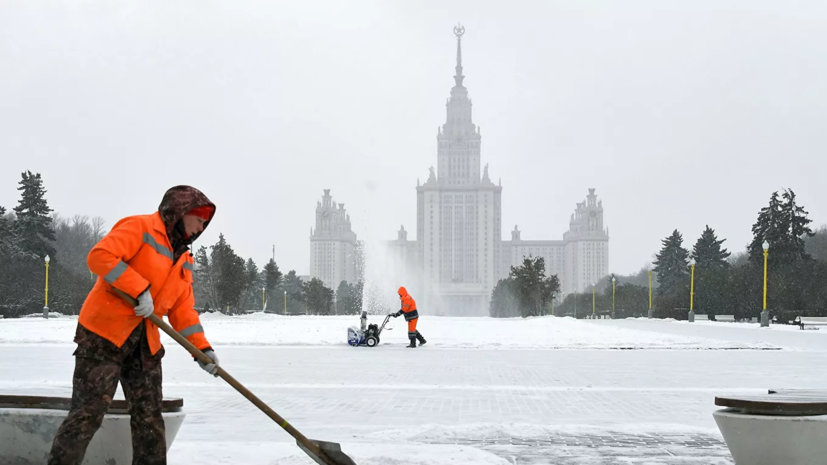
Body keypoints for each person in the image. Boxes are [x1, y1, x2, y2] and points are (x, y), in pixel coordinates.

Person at [47, 185, 220, 465]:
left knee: (150, 419)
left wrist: (202, 349)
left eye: (205, 222)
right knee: (88, 413)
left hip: (146, 343)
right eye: (199, 218)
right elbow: (99, 256)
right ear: (181, 211)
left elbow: (183, 311)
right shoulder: (140, 228)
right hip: (104, 336)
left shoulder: (185, 260)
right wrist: (139, 289)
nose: (202, 226)